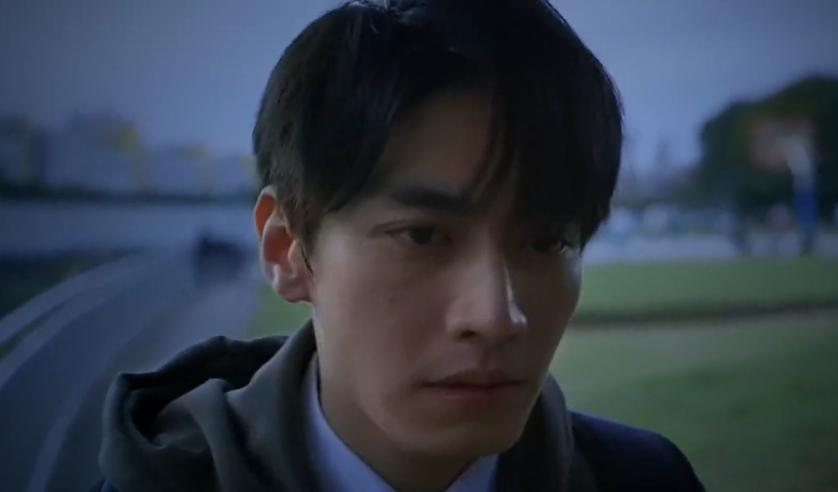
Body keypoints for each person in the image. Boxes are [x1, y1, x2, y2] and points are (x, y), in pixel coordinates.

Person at [95, 1, 705, 490]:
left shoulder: (646, 479)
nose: (496, 317)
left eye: (545, 240)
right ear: (286, 248)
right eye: (423, 236)